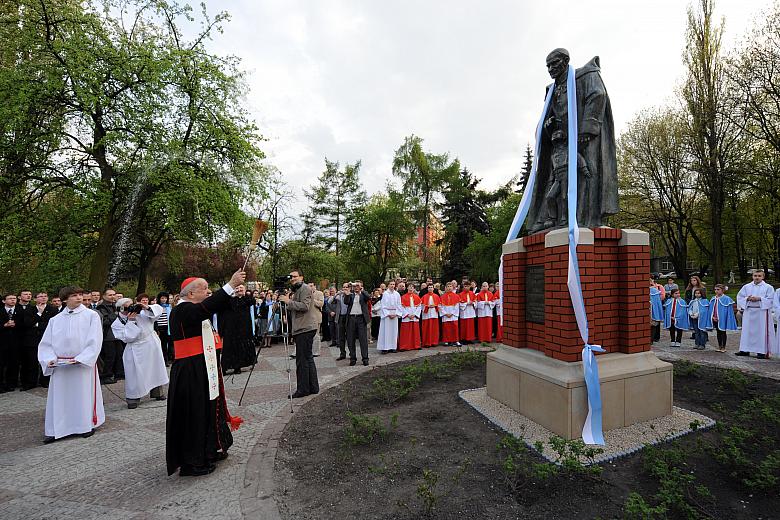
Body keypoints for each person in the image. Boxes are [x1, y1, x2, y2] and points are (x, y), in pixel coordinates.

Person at [166, 269, 246, 477]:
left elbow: (217, 308)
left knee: (208, 408)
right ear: (191, 294)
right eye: (204, 288)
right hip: (189, 370)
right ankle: (192, 462)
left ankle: (210, 449)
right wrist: (229, 284)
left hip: (203, 365)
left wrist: (233, 294)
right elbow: (206, 308)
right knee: (194, 413)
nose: (208, 291)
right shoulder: (182, 310)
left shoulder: (195, 308)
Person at [37, 286, 104, 444]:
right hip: (60, 365)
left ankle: (84, 425)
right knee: (59, 397)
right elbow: (46, 343)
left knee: (82, 395)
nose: (79, 298)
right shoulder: (55, 320)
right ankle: (56, 429)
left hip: (81, 364)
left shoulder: (91, 316)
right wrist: (49, 359)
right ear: (65, 299)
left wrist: (83, 358)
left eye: (80, 295)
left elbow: (95, 339)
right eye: (74, 296)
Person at [111, 298, 169, 409]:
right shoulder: (117, 322)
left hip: (151, 344)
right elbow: (128, 337)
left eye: (132, 305)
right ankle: (133, 397)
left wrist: (146, 307)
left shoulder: (143, 314)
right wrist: (131, 322)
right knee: (134, 373)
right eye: (128, 307)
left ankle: (158, 392)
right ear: (121, 308)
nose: (131, 309)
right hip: (135, 348)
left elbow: (158, 311)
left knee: (155, 369)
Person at [278, 269, 320, 396]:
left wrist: (288, 301)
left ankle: (303, 389)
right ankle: (313, 387)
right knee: (308, 358)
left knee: (302, 360)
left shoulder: (305, 288)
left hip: (305, 328)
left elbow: (304, 306)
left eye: (295, 276)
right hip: (303, 328)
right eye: (291, 277)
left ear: (301, 277)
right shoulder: (297, 290)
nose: (292, 279)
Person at [21, 292, 58, 390]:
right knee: (31, 362)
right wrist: (39, 314)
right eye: (40, 296)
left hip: (47, 339)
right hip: (32, 339)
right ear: (35, 299)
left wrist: (37, 325)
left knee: (46, 360)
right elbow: (27, 323)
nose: (43, 298)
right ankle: (31, 382)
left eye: (45, 296)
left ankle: (45, 381)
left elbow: (53, 324)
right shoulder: (29, 309)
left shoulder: (52, 309)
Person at [735, 270, 774, 359]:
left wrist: (759, 298)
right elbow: (740, 296)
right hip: (749, 311)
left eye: (759, 276)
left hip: (761, 312)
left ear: (763, 277)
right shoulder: (746, 287)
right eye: (755, 275)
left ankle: (761, 351)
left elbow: (771, 299)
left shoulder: (768, 287)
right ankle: (745, 350)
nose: (757, 277)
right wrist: (747, 299)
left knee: (760, 332)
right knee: (747, 331)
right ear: (752, 276)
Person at [218, 284, 256, 375]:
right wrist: (233, 294)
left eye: (241, 288)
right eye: (237, 288)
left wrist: (244, 294)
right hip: (230, 328)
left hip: (243, 328)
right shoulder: (230, 300)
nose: (239, 290)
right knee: (228, 347)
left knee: (240, 347)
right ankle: (224, 367)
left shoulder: (246, 299)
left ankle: (237, 367)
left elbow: (252, 301)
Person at [96, 288, 123, 384]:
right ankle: (105, 375)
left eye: (114, 294)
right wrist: (116, 314)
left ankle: (118, 373)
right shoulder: (101, 308)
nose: (112, 297)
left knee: (119, 354)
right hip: (107, 335)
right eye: (110, 295)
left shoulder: (115, 306)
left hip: (117, 334)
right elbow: (105, 321)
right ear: (104, 296)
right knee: (109, 356)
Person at [343, 281, 370, 366]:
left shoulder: (363, 295)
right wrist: (347, 294)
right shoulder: (351, 295)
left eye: (357, 286)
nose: (356, 287)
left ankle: (365, 358)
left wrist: (361, 289)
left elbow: (368, 297)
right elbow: (346, 302)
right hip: (351, 318)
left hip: (361, 318)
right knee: (351, 340)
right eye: (355, 286)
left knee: (363, 340)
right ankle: (353, 358)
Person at [1, 293, 22, 392]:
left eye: (14, 298)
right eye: (10, 298)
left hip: (16, 342)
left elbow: (25, 324)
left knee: (13, 364)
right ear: (4, 301)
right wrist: (4, 325)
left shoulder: (20, 310)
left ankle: (11, 384)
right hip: (2, 342)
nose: (13, 300)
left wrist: (16, 325)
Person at [709, 284, 737, 353]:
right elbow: (711, 309)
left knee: (723, 332)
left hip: (722, 319)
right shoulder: (713, 298)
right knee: (718, 332)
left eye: (718, 289)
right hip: (714, 318)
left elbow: (729, 311)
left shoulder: (726, 299)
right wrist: (712, 316)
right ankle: (719, 346)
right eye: (715, 289)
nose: (716, 291)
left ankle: (723, 347)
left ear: (723, 290)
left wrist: (724, 318)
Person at [377, 280, 400, 353]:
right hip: (387, 315)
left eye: (393, 284)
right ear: (388, 285)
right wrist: (388, 314)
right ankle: (385, 347)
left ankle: (393, 347)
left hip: (395, 314)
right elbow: (383, 305)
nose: (392, 286)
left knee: (394, 331)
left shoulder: (397, 294)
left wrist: (396, 313)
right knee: (386, 331)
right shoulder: (385, 294)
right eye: (391, 284)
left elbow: (399, 305)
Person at [399, 284, 422, 351]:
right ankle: (404, 346)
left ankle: (416, 345)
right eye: (410, 287)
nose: (411, 288)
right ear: (407, 288)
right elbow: (401, 307)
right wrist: (407, 314)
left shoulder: (417, 297)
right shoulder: (403, 297)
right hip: (407, 317)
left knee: (415, 332)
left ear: (414, 289)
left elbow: (419, 307)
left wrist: (414, 314)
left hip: (414, 317)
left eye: (412, 287)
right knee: (406, 332)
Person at [440, 282, 461, 347]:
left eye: (450, 286)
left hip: (453, 315)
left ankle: (456, 341)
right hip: (446, 315)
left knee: (454, 328)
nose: (449, 288)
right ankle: (446, 341)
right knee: (446, 328)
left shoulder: (457, 296)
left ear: (453, 287)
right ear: (446, 288)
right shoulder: (442, 297)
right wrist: (445, 313)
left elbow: (457, 306)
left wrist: (452, 313)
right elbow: (440, 307)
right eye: (448, 286)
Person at [155, 292, 173, 364]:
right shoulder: (157, 306)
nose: (164, 299)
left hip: (168, 327)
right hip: (160, 327)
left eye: (165, 298)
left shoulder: (169, 306)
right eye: (162, 298)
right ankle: (164, 360)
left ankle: (169, 358)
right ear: (159, 299)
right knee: (163, 345)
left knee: (170, 344)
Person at [311, 284, 325, 357]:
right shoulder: (306, 293)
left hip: (316, 317)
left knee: (316, 335)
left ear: (315, 286)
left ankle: (316, 352)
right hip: (308, 318)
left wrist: (312, 299)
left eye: (311, 286)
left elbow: (321, 304)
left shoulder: (319, 293)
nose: (310, 287)